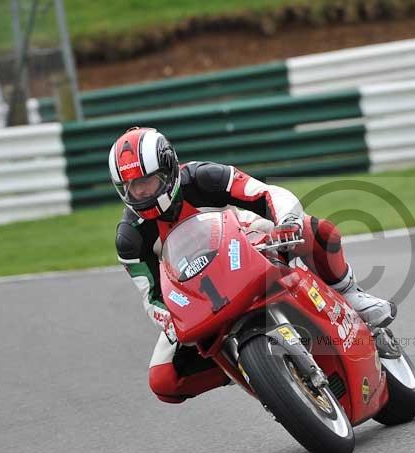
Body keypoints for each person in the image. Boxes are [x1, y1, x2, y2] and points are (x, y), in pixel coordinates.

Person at [110, 126, 396, 404]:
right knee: (163, 382)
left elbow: (266, 193)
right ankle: (256, 372)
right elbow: (151, 297)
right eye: (132, 187)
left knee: (317, 230)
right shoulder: (130, 238)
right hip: (197, 293)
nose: (141, 192)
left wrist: (288, 222)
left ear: (169, 169)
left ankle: (348, 292)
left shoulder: (203, 177)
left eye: (148, 181)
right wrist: (171, 321)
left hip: (246, 244)